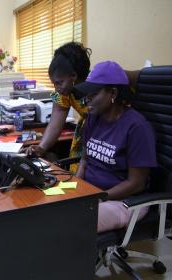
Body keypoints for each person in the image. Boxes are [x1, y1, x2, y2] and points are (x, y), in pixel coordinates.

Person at [74, 61, 157, 232]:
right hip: (92, 194)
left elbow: (136, 183)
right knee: (50, 209)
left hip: (126, 201)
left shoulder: (137, 127)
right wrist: (76, 186)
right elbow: (84, 159)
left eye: (93, 94)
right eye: (86, 94)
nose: (86, 99)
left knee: (74, 222)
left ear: (113, 93)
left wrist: (99, 197)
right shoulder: (93, 118)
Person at [23, 42, 91, 171]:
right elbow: (55, 122)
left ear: (74, 76)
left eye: (59, 83)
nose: (56, 89)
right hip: (85, 134)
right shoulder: (61, 93)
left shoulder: (99, 88)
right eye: (54, 84)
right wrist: (41, 148)